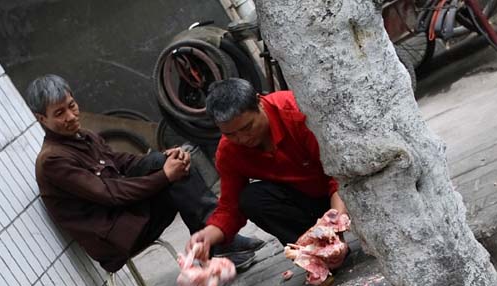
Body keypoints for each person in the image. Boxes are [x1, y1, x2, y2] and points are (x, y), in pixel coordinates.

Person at [26, 75, 262, 274]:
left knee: (167, 162)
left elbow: (123, 162)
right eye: (59, 113)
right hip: (118, 236)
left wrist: (166, 158)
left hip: (128, 216)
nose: (70, 116)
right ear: (41, 119)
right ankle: (218, 242)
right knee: (171, 179)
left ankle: (217, 240)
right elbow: (111, 194)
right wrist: (165, 176)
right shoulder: (53, 160)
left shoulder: (84, 136)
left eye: (72, 105)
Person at [187, 78, 348, 260]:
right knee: (252, 199)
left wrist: (334, 226)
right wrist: (207, 237)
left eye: (247, 127)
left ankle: (331, 246)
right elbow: (229, 208)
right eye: (230, 134)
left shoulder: (296, 114)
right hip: (302, 203)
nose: (242, 138)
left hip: (341, 193)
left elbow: (340, 177)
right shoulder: (228, 151)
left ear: (259, 102)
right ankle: (313, 255)